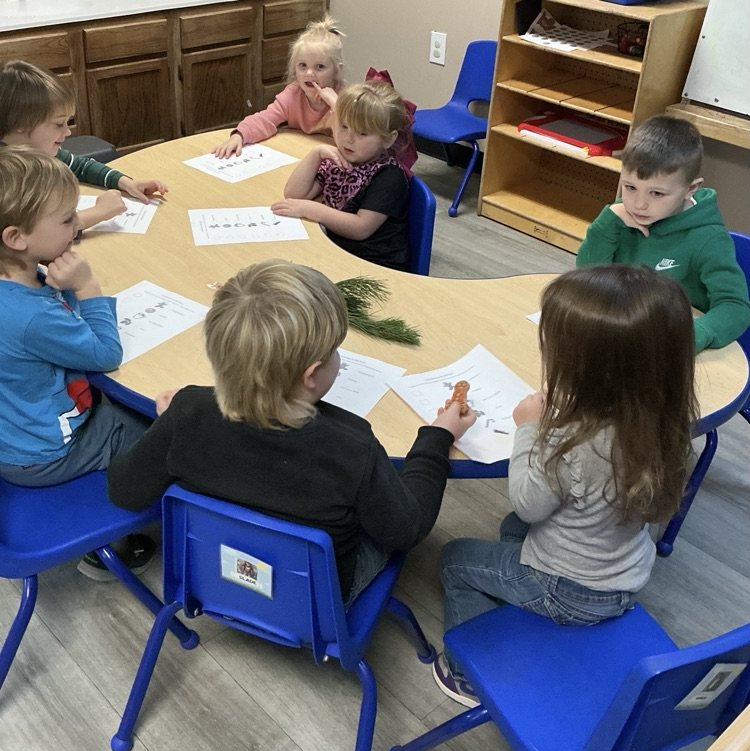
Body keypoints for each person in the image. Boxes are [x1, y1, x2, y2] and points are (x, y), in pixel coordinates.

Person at [107, 258, 477, 604]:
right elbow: (407, 529)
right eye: (335, 351)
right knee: (377, 519)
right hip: (315, 601)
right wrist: (436, 438)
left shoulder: (188, 412)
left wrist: (170, 423)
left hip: (211, 576)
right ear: (312, 375)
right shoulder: (352, 445)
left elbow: (124, 490)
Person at [433, 265, 698, 707]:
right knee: (511, 527)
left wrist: (529, 429)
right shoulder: (664, 419)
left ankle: (467, 674)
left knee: (455, 559)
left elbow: (528, 501)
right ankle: (518, 603)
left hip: (570, 590)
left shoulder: (573, 441)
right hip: (623, 571)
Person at [0, 147, 155, 579]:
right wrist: (86, 286)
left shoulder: (16, 282)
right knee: (166, 430)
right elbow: (106, 353)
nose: (77, 225)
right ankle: (114, 550)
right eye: (68, 219)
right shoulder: (30, 317)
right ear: (16, 238)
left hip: (12, 440)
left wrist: (56, 283)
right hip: (45, 455)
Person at [576, 114, 750, 352]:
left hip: (673, 346)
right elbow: (588, 278)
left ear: (690, 189)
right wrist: (606, 224)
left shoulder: (708, 239)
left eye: (656, 193)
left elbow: (735, 306)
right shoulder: (620, 218)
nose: (639, 204)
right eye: (630, 187)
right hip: (622, 332)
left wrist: (693, 335)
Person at [0, 59, 168, 231]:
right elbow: (35, 235)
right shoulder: (8, 173)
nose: (68, 132)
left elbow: (80, 167)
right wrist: (99, 212)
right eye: (59, 124)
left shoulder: (39, 151)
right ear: (21, 124)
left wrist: (125, 183)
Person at [271, 81, 413, 271]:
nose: (349, 138)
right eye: (344, 126)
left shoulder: (389, 176)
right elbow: (295, 194)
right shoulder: (341, 159)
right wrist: (316, 154)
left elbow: (361, 228)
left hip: (371, 264)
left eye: (362, 133)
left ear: (388, 139)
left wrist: (311, 209)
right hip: (335, 251)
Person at [211, 15, 345, 159]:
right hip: (298, 157)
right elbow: (265, 120)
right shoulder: (292, 95)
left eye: (320, 66)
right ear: (294, 69)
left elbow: (352, 140)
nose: (309, 73)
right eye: (302, 65)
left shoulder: (345, 97)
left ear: (336, 71)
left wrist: (336, 105)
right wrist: (239, 136)